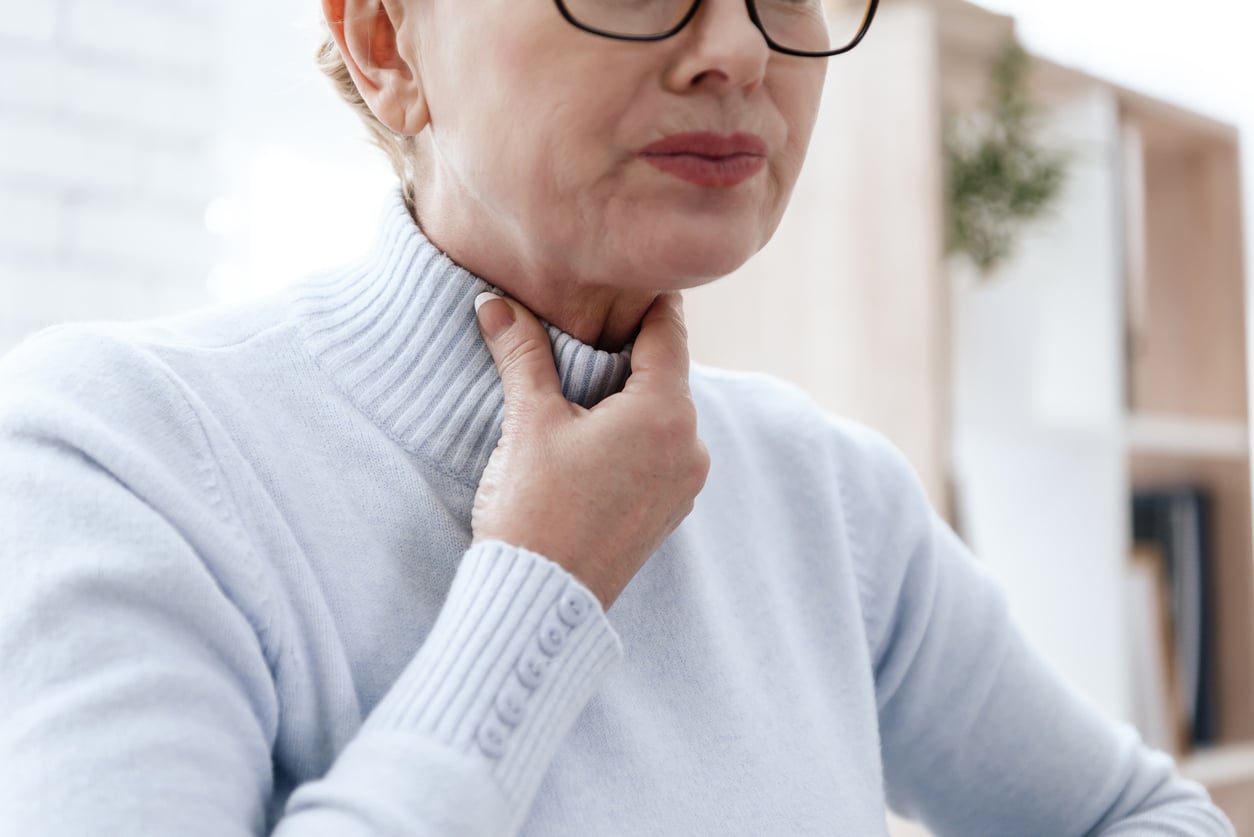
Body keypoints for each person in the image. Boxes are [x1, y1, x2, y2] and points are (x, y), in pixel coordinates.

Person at [0, 0, 1233, 834]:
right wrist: (541, 586)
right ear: (384, 38)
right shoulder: (117, 454)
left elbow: (1147, 817)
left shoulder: (829, 494)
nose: (741, 53)